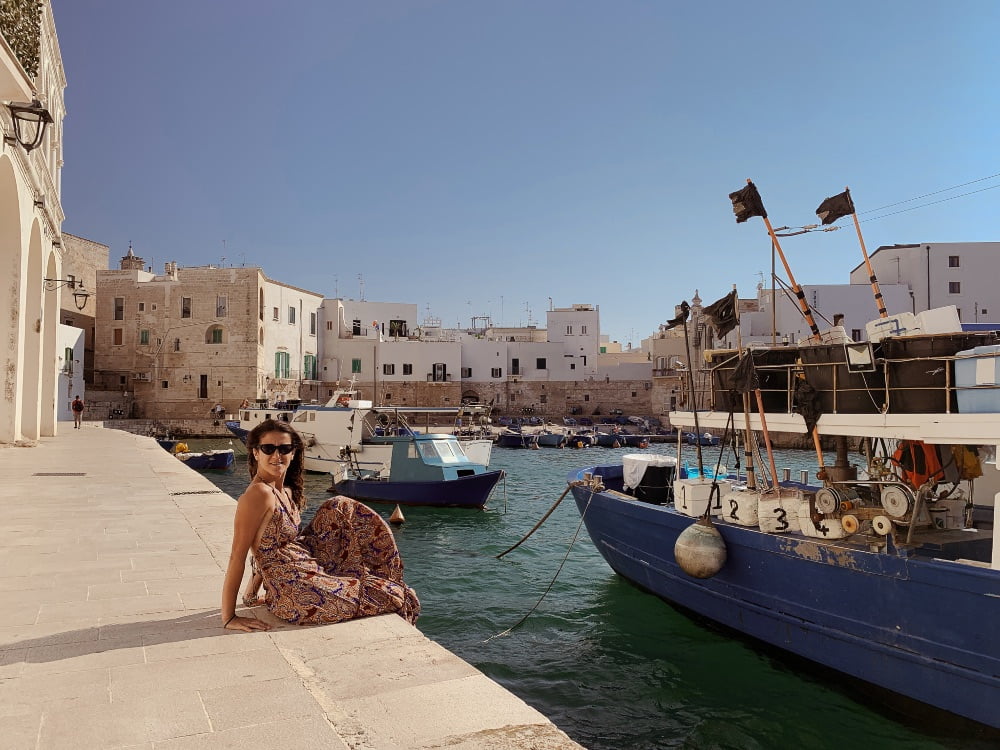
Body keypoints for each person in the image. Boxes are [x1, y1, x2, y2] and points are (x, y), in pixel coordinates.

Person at [220, 418, 419, 632]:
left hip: (301, 570)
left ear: (293, 453)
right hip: (296, 591)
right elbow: (238, 555)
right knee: (393, 594)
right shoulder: (259, 495)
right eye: (268, 448)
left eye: (284, 448)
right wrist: (229, 617)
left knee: (338, 507)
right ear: (255, 452)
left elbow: (270, 546)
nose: (277, 455)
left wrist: (251, 594)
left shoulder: (285, 491)